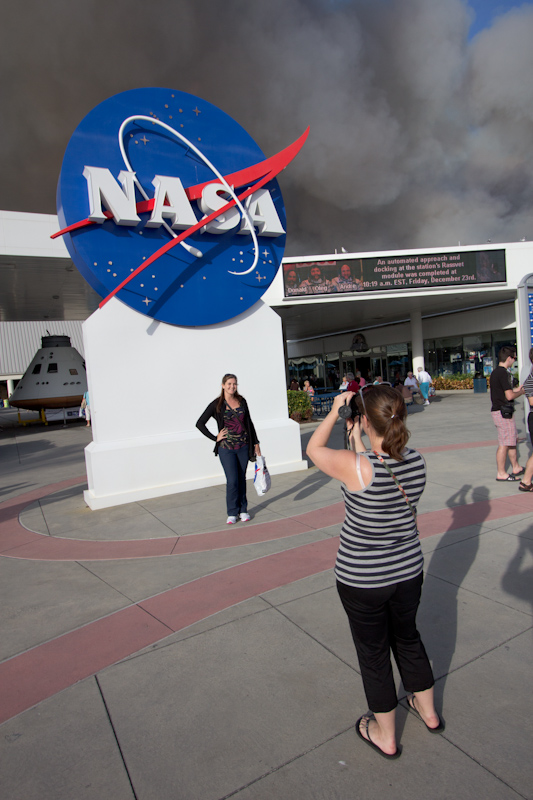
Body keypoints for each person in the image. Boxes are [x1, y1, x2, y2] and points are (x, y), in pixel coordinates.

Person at [306, 384, 442, 759]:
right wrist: (361, 441)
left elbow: (314, 450)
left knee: (374, 653)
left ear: (365, 419)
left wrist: (335, 411)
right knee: (408, 639)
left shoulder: (356, 467)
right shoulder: (415, 461)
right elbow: (379, 470)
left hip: (363, 580)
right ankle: (428, 712)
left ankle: (386, 735)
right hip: (408, 572)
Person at [196, 374, 261, 524]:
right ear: (223, 385)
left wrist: (256, 442)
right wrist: (215, 438)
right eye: (229, 384)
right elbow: (200, 423)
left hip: (243, 446)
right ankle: (232, 512)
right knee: (232, 480)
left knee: (241, 479)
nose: (232, 386)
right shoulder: (217, 404)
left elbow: (249, 423)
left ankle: (243, 510)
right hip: (226, 448)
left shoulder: (242, 401)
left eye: (235, 384)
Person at [490, 346, 525, 482]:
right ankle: (502, 473)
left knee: (511, 440)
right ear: (509, 358)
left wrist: (517, 389)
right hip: (502, 411)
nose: (514, 361)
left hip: (500, 410)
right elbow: (509, 396)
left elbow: (504, 392)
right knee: (504, 443)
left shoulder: (495, 372)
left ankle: (515, 467)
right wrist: (521, 392)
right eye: (514, 358)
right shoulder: (503, 373)